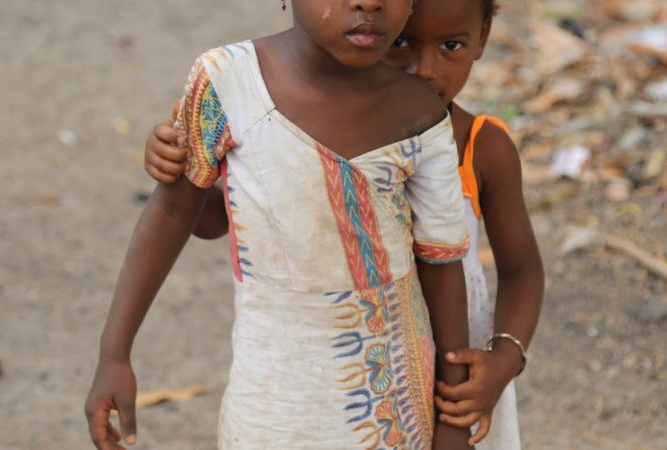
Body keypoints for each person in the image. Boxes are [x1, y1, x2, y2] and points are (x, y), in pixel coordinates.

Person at [141, 0, 543, 447]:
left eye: (451, 45)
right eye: (403, 43)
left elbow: (521, 270)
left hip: (463, 378)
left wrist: (504, 358)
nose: (423, 70)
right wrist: (182, 169)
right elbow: (216, 221)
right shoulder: (279, 115)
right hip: (351, 374)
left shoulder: (482, 147)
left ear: (482, 39)